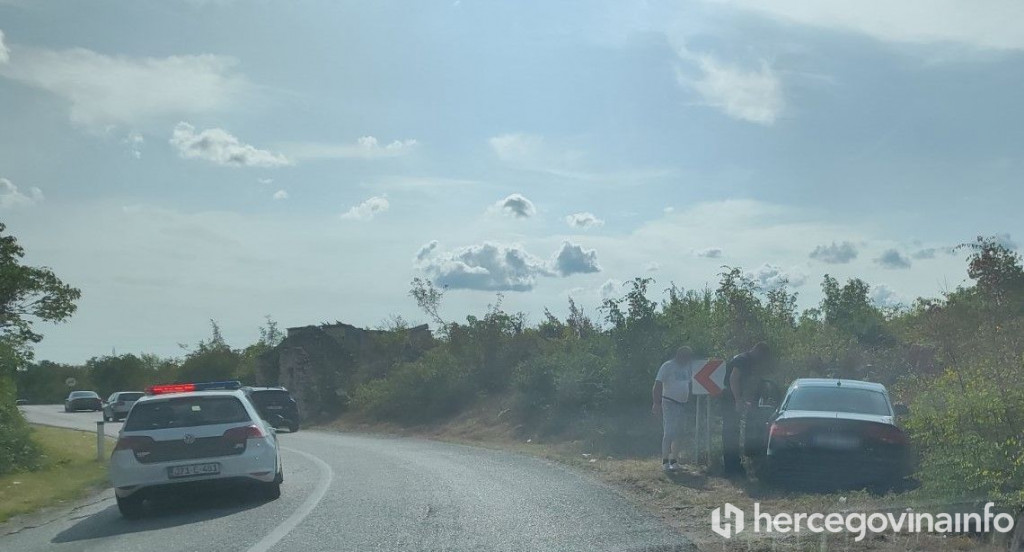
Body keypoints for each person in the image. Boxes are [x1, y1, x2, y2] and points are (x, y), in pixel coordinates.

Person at [720, 341, 770, 476]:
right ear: (758, 351)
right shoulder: (742, 360)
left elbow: (746, 383)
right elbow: (733, 379)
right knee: (730, 432)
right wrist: (737, 400)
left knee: (735, 432)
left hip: (736, 399)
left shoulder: (748, 361)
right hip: (730, 399)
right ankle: (730, 468)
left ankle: (735, 465)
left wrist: (745, 400)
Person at [652, 346, 694, 472]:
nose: (687, 359)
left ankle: (674, 461)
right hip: (669, 402)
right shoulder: (667, 366)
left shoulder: (687, 367)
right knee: (669, 431)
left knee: (679, 432)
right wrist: (656, 403)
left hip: (682, 404)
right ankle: (665, 461)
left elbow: (688, 384)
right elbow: (658, 384)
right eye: (686, 356)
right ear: (679, 355)